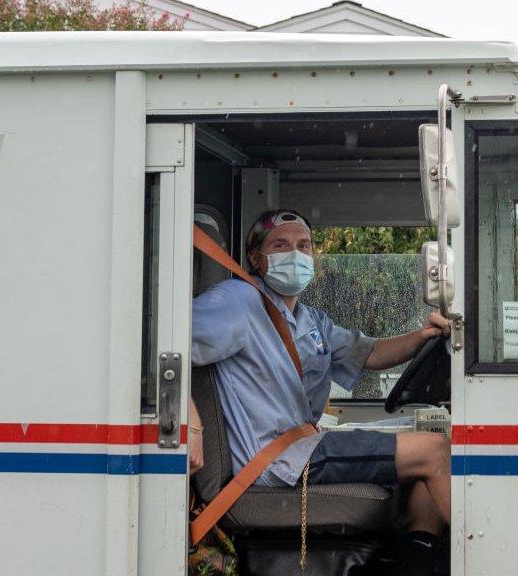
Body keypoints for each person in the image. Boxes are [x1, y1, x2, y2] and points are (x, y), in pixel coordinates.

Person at [188, 209, 451, 573]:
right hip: (278, 461)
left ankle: (417, 559)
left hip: (306, 448)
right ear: (256, 258)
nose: (294, 254)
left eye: (303, 245)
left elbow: (370, 353)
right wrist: (188, 417)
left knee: (427, 458)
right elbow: (163, 341)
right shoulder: (237, 301)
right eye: (280, 245)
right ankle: (490, 560)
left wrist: (424, 336)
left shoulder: (310, 320)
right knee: (434, 452)